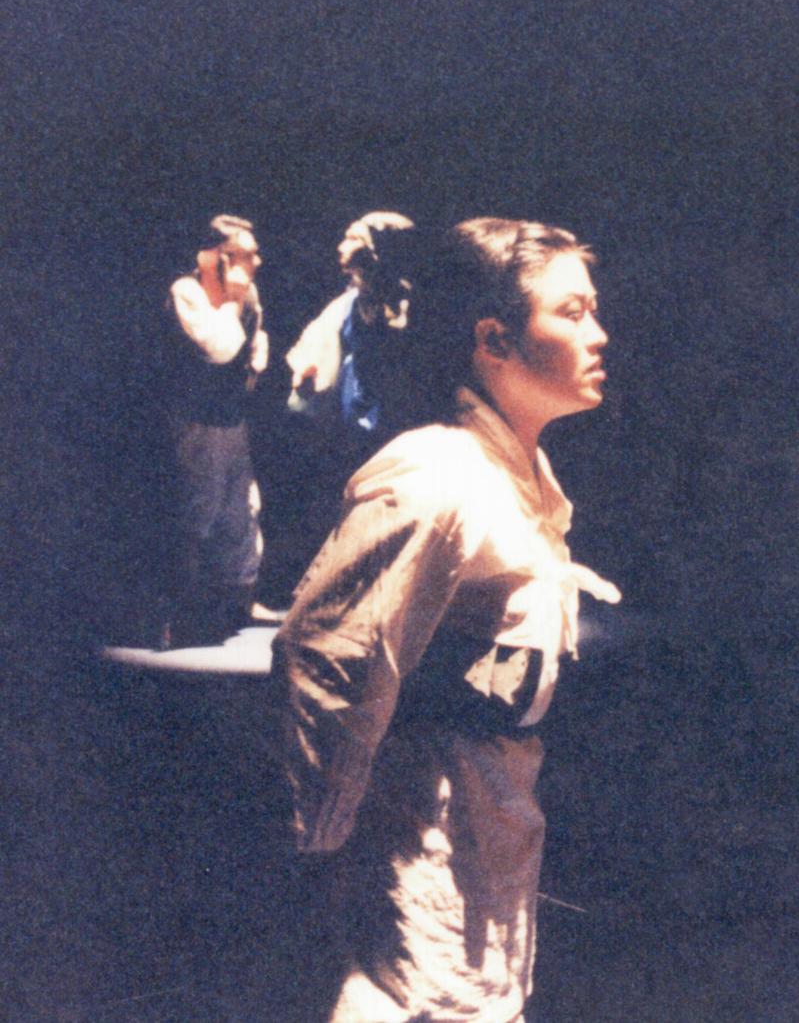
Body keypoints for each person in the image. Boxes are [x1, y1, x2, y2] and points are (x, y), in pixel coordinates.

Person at [272, 218, 620, 1022]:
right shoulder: (437, 475)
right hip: (423, 845)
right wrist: (321, 837)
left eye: (594, 311)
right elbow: (327, 652)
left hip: (489, 836)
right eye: (571, 313)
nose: (598, 334)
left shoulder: (516, 475)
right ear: (493, 339)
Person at [164, 213, 269, 645]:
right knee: (198, 508)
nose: (256, 262)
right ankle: (180, 609)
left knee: (241, 508)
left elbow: (254, 339)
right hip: (197, 423)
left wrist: (255, 360)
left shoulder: (246, 294)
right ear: (216, 258)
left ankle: (240, 600)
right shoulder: (187, 292)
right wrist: (232, 303)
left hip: (230, 418)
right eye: (245, 254)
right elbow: (220, 348)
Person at [285, 210, 418, 458]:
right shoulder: (349, 303)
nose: (341, 246)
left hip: (391, 417)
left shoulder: (408, 308)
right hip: (351, 411)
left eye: (353, 239)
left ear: (377, 249)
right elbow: (317, 346)